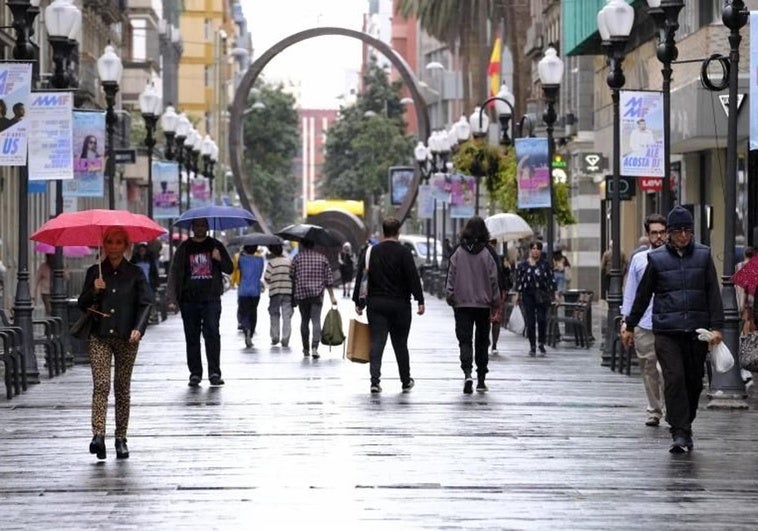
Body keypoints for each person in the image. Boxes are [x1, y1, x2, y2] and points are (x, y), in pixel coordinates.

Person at [622, 206, 724, 454]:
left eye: (687, 230)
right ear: (670, 233)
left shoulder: (703, 255)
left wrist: (717, 327)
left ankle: (685, 423)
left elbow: (713, 292)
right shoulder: (656, 260)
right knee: (674, 378)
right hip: (667, 331)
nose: (683, 235)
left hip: (696, 331)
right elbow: (643, 295)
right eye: (678, 230)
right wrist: (630, 324)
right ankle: (679, 432)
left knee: (693, 381)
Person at [78, 226, 152, 460]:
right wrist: (94, 291)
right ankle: (98, 435)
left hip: (126, 337)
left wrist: (138, 329)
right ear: (104, 244)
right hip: (99, 335)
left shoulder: (136, 273)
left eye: (119, 242)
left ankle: (121, 438)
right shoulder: (95, 272)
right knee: (101, 385)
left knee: (122, 388)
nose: (114, 247)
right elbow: (83, 304)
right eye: (109, 242)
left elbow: (146, 303)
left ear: (126, 246)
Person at [353, 217, 424, 393]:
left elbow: (362, 278)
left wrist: (359, 302)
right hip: (400, 305)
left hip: (376, 304)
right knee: (400, 344)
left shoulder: (371, 252)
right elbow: (413, 277)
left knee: (377, 342)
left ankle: (375, 381)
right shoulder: (404, 253)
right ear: (398, 232)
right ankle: (406, 380)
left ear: (383, 232)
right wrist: (420, 300)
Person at [166, 217, 234, 387]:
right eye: (197, 225)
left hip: (211, 299)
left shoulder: (215, 245)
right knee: (192, 337)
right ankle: (195, 373)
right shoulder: (184, 247)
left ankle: (214, 373)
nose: (200, 228)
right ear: (192, 227)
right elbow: (174, 272)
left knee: (212, 334)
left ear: (207, 227)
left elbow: (230, 268)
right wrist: (172, 298)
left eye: (203, 225)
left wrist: (219, 259)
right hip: (189, 300)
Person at [620, 213, 668, 427]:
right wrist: (626, 321)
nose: (658, 237)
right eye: (654, 233)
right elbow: (631, 292)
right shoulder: (639, 260)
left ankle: (671, 409)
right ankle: (654, 410)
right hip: (643, 323)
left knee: (666, 370)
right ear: (648, 235)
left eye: (661, 232)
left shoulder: (673, 258)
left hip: (667, 322)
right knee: (649, 369)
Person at [446, 219, 500, 393]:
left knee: (464, 340)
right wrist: (496, 302)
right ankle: (481, 379)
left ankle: (467, 373)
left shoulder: (457, 252)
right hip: (483, 305)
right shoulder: (488, 253)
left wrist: (450, 295)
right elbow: (494, 280)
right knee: (482, 341)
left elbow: (451, 275)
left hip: (462, 304)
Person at [290, 238, 337, 359]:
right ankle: (315, 347)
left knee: (304, 320)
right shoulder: (322, 258)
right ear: (313, 245)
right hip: (317, 295)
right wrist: (332, 297)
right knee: (316, 320)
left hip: (302, 295)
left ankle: (305, 349)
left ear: (303, 245)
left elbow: (291, 275)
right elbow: (329, 280)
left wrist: (293, 294)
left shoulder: (297, 258)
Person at [515, 241, 556, 357]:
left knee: (542, 319)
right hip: (528, 295)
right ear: (530, 250)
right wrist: (517, 295)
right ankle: (532, 345)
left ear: (540, 251)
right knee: (530, 321)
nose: (535, 251)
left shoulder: (545, 264)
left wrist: (554, 294)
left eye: (538, 249)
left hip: (542, 295)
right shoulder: (523, 265)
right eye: (533, 248)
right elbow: (519, 281)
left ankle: (541, 342)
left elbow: (551, 279)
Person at [233, 244, 265, 348]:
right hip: (255, 290)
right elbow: (260, 274)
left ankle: (246, 327)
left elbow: (237, 269)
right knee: (253, 311)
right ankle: (250, 335)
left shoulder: (241, 259)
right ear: (256, 249)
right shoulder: (260, 260)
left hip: (243, 290)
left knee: (244, 311)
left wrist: (242, 253)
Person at [264, 244, 294, 347]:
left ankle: (275, 337)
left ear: (272, 252)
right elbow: (293, 275)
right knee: (287, 316)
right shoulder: (289, 262)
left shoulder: (271, 263)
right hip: (288, 292)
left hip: (275, 292)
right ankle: (285, 339)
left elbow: (267, 278)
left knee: (274, 314)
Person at [487, 239, 511, 356]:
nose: (492, 245)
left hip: (499, 291)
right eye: (490, 243)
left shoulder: (500, 258)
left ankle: (494, 344)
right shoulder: (483, 256)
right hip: (486, 292)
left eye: (494, 243)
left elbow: (506, 277)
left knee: (496, 320)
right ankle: (487, 340)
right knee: (486, 319)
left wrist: (506, 268)